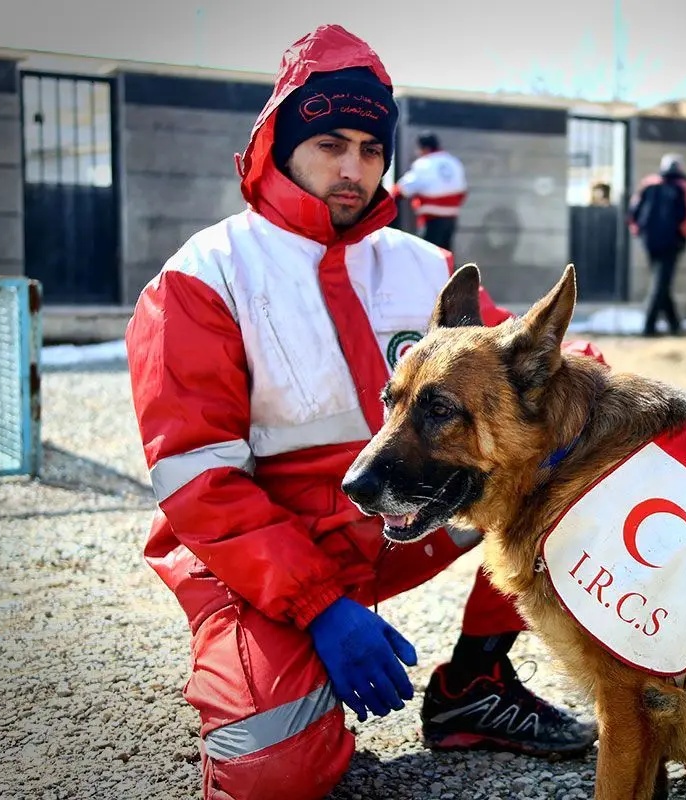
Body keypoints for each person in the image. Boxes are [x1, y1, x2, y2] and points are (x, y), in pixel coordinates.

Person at [124, 24, 602, 800]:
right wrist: (317, 608)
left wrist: (597, 382)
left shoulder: (421, 263)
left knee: (567, 461)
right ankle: (283, 686)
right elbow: (199, 487)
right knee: (275, 772)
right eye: (331, 145)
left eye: (372, 149)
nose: (354, 169)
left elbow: (520, 374)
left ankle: (475, 684)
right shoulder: (204, 279)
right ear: (281, 146)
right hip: (265, 559)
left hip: (393, 518)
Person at [628, 153, 686, 337]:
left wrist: (639, 232)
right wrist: (683, 237)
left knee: (662, 283)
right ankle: (649, 326)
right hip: (671, 243)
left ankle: (674, 325)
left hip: (650, 242)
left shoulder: (649, 184)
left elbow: (633, 212)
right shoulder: (683, 186)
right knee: (660, 284)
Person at [390, 130, 467, 253]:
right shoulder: (453, 161)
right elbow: (462, 191)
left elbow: (403, 189)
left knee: (428, 254)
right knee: (445, 255)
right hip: (451, 219)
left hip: (431, 220)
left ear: (424, 148)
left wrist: (388, 196)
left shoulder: (424, 164)